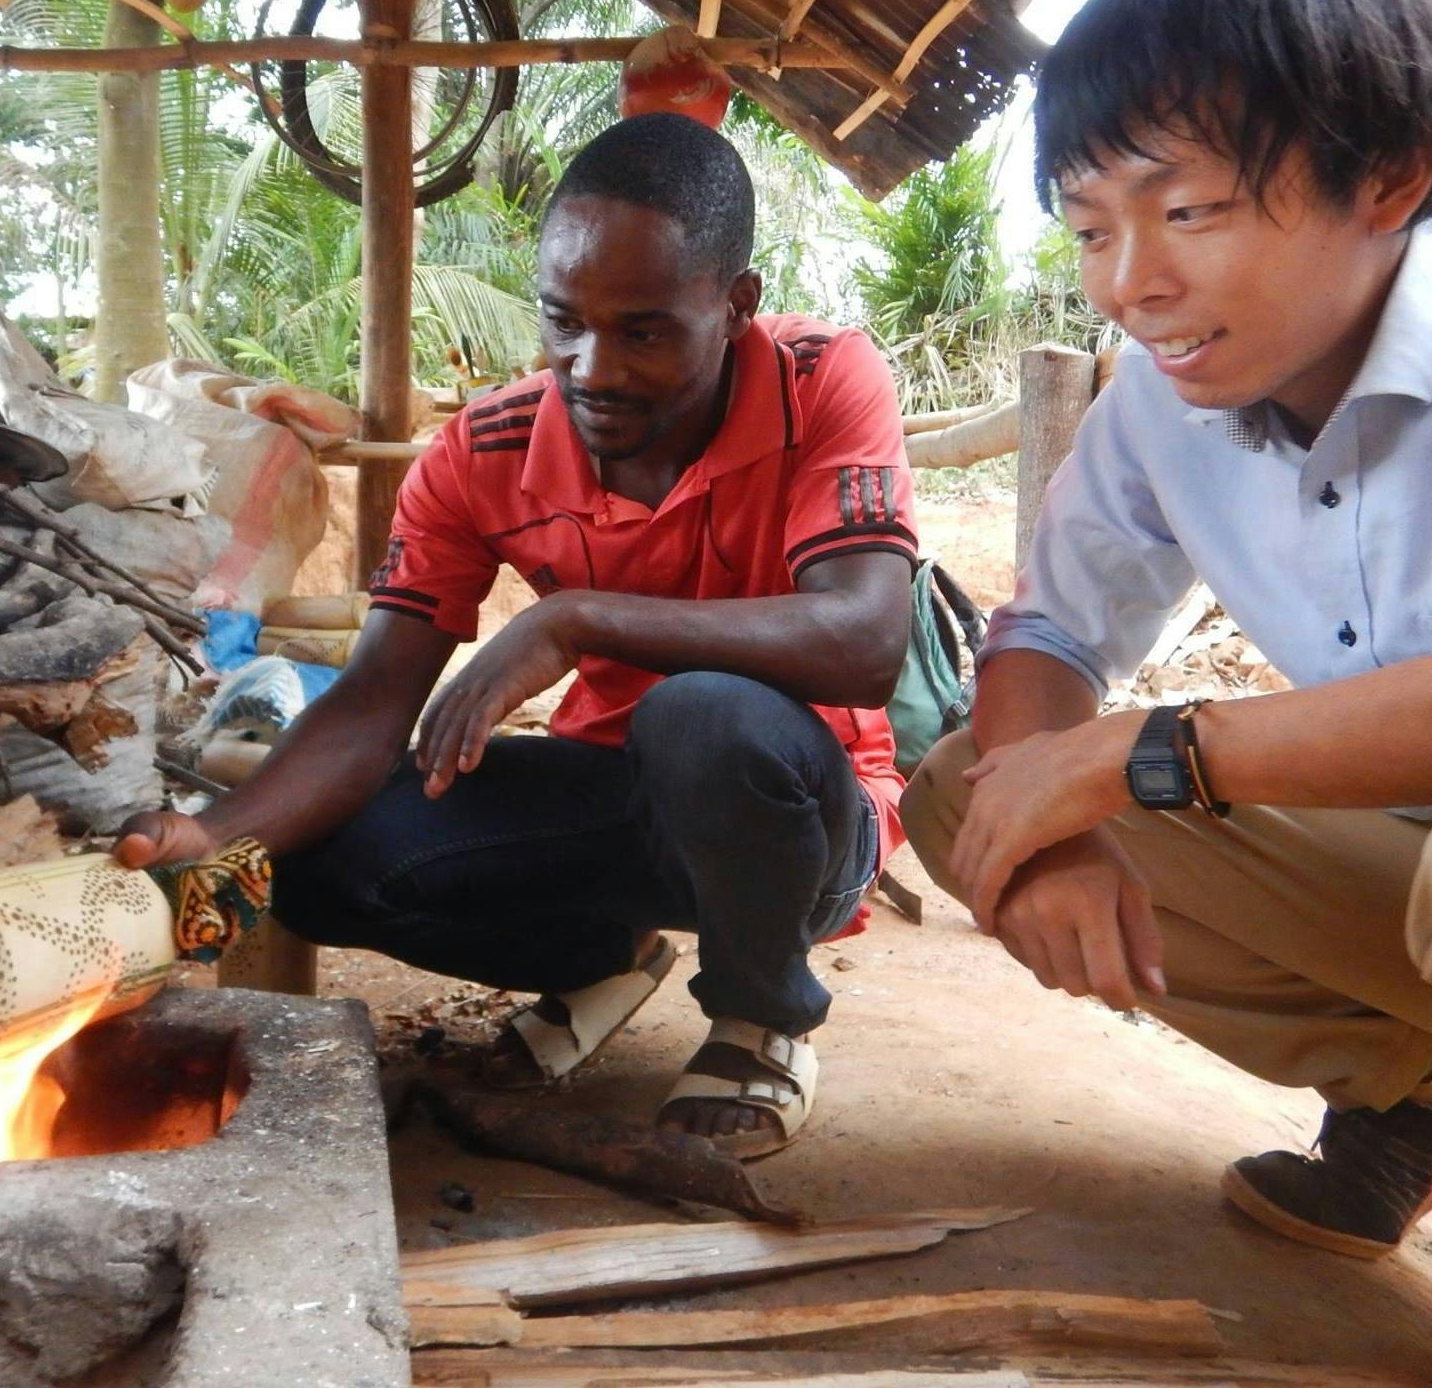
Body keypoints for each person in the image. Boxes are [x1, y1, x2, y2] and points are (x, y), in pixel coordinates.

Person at [117, 112, 918, 1159]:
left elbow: (866, 640)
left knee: (703, 717)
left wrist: (574, 616)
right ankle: (599, 962)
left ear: (735, 306)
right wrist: (221, 835)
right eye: (563, 321)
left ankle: (760, 1019)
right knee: (314, 864)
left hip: (802, 818)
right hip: (615, 795)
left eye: (642, 331)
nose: (591, 367)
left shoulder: (821, 380)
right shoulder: (482, 452)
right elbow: (373, 702)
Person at [901, 0, 1432, 1257]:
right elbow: (1048, 633)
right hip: (1410, 861)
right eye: (1091, 227)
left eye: (1187, 211)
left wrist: (1152, 755)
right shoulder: (1165, 401)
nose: (1129, 284)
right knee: (979, 795)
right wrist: (1054, 824)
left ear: (1387, 178)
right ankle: (1428, 1093)